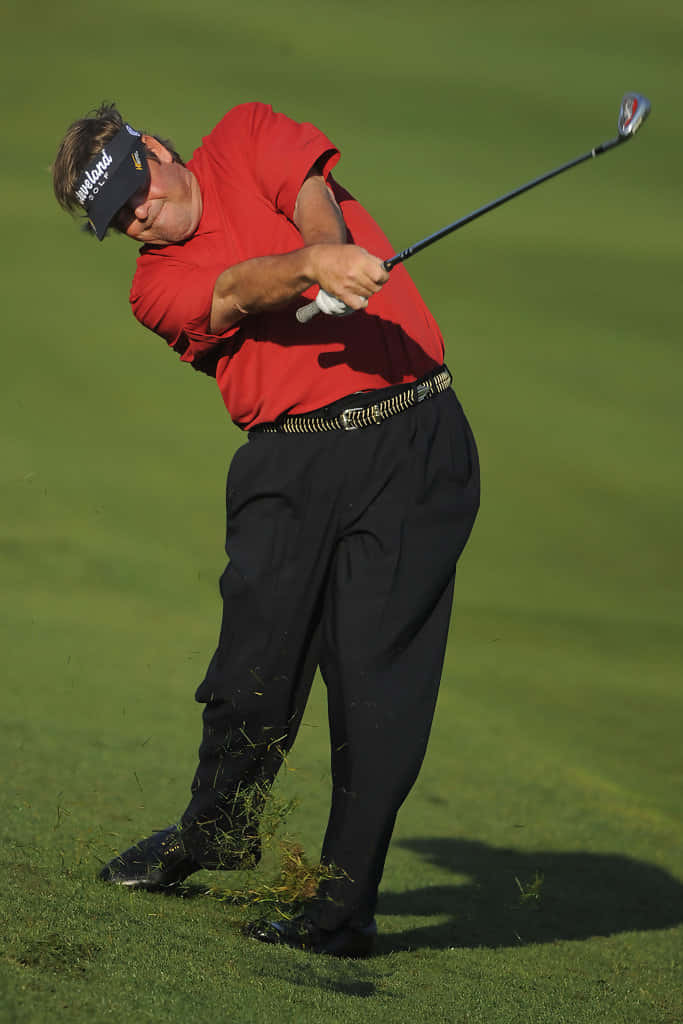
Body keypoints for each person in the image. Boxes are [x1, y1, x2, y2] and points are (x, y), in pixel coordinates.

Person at [52, 101, 480, 958]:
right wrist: (311, 268)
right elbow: (234, 290)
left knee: (377, 687)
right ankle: (214, 829)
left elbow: (307, 191)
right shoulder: (152, 287)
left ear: (155, 149)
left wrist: (329, 248)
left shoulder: (244, 134)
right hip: (290, 463)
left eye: (136, 189)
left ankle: (340, 912)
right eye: (118, 217)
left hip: (416, 443)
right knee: (252, 678)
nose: (139, 215)